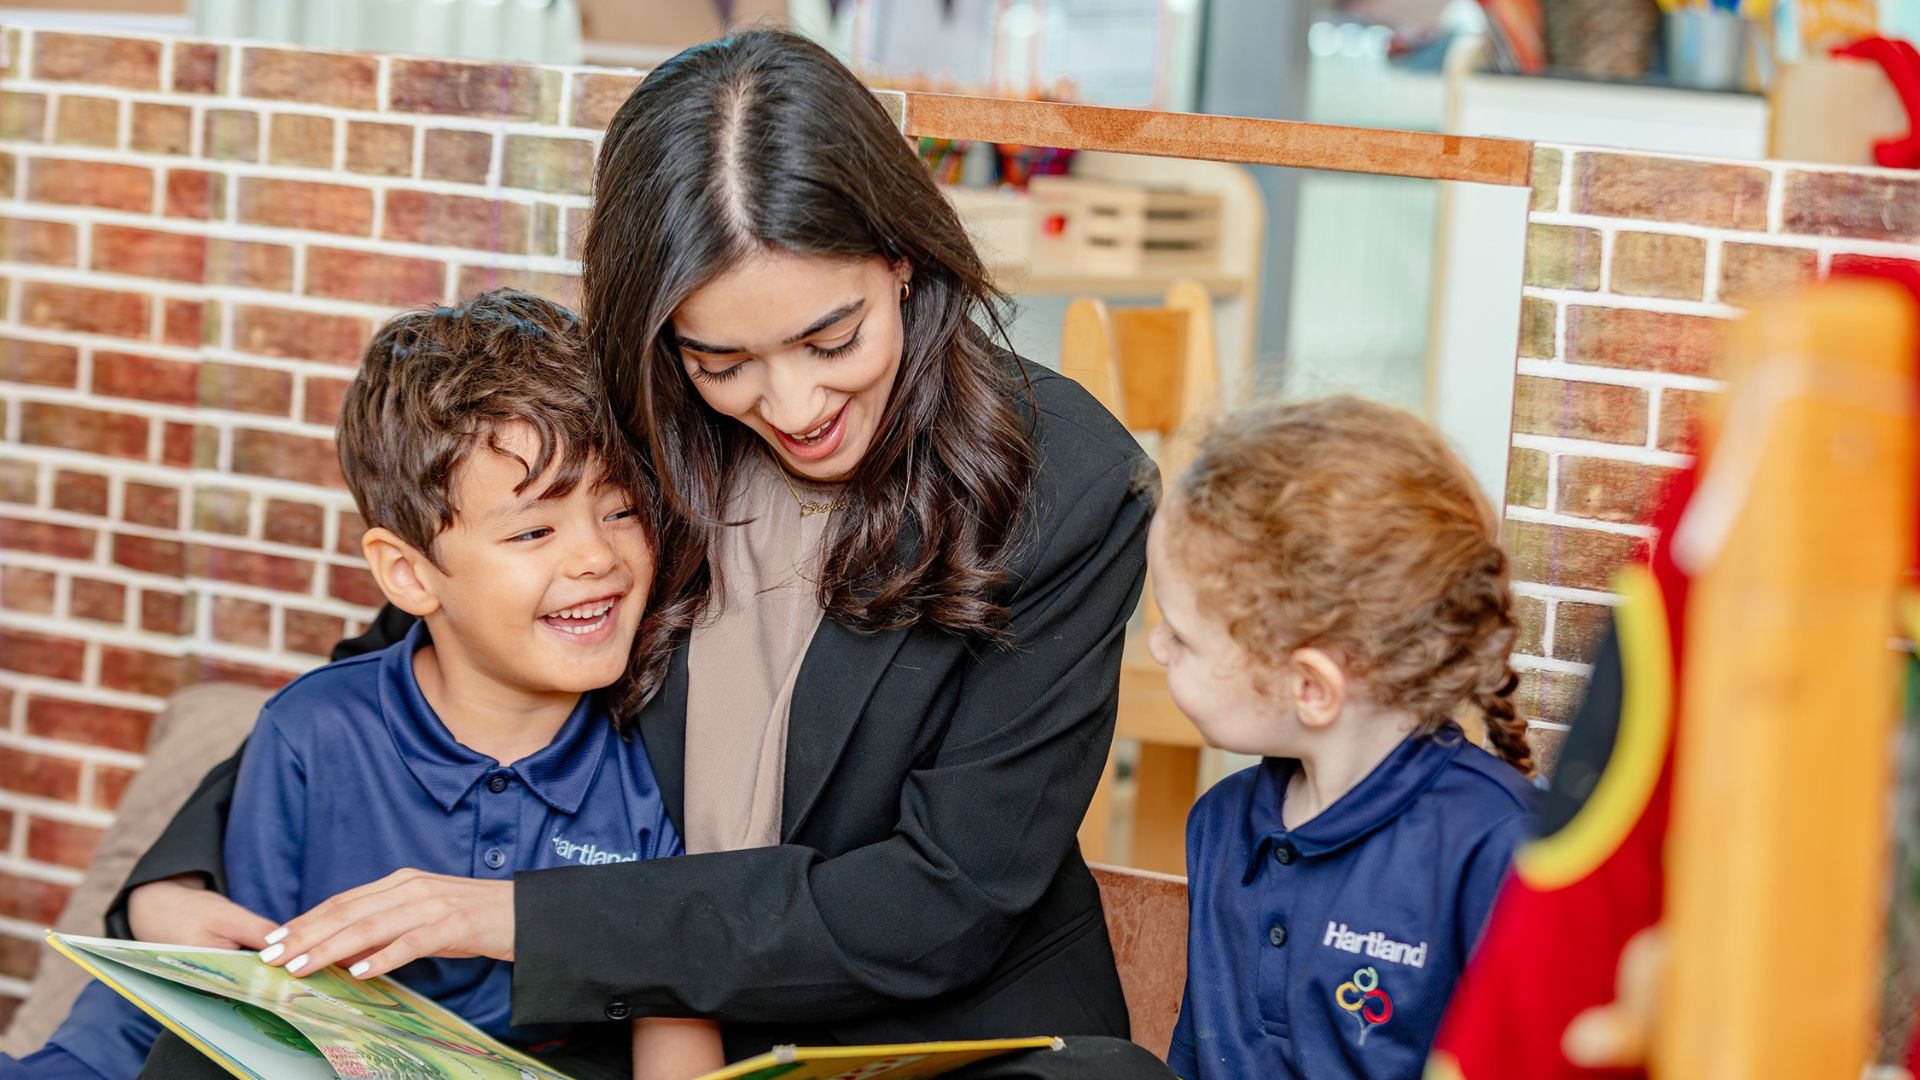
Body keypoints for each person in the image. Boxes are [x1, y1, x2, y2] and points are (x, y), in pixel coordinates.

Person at [110, 29, 1168, 1080]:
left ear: (901, 260)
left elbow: (944, 901)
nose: (793, 407)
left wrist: (516, 917)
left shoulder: (1064, 485)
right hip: (634, 1020)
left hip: (921, 1032)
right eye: (723, 361)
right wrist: (181, 867)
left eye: (832, 341)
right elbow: (423, 653)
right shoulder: (625, 425)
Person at [13, 291, 722, 1080]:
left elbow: (674, 1012)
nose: (597, 558)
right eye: (533, 530)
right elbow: (242, 1007)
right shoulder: (314, 733)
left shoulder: (652, 764)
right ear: (409, 575)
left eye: (623, 510)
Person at [1148, 397, 1537, 1079]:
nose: (1156, 646)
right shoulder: (1220, 825)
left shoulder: (1499, 848)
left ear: (1311, 688)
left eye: (1181, 636)